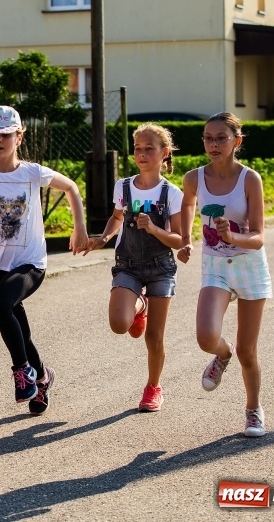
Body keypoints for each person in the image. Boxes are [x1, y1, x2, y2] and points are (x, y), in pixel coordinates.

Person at [0, 105, 88, 416]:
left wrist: (79, 227)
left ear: (19, 137)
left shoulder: (32, 172)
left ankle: (22, 371)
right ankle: (42, 377)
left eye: (5, 135)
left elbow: (71, 187)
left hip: (30, 263)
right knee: (19, 330)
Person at [177, 112, 272, 437]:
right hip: (215, 267)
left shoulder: (250, 179)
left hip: (249, 267)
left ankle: (253, 410)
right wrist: (186, 238)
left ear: (237, 141)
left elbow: (258, 237)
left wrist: (232, 236)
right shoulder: (194, 178)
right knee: (206, 336)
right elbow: (187, 204)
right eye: (208, 138)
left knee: (248, 351)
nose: (213, 144)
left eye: (221, 138)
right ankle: (222, 354)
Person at [82, 123, 183, 412]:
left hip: (161, 267)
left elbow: (178, 239)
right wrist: (103, 238)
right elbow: (116, 218)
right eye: (138, 148)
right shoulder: (123, 186)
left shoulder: (172, 193)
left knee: (154, 337)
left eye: (149, 148)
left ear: (164, 153)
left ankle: (153, 387)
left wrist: (154, 228)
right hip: (127, 264)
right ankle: (141, 305)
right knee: (119, 324)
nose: (141, 154)